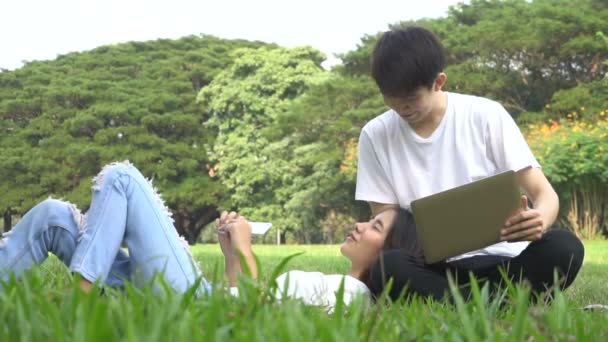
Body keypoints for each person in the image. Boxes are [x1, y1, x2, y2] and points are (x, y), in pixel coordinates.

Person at [355, 26, 584, 301]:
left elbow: (544, 194)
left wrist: (540, 219)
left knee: (565, 246)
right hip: (432, 269)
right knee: (387, 267)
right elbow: (386, 221)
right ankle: (499, 302)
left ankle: (462, 302)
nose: (402, 109)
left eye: (411, 98)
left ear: (438, 82)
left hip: (504, 261)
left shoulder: (485, 115)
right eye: (391, 99)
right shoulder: (375, 134)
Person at [0, 161, 419, 307]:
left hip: (190, 302)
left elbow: (257, 314)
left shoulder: (357, 296)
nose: (362, 223)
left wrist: (246, 247)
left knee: (124, 179)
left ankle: (81, 299)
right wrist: (231, 254)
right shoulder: (335, 284)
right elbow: (240, 299)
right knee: (55, 217)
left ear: (389, 252)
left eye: (376, 226)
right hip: (196, 298)